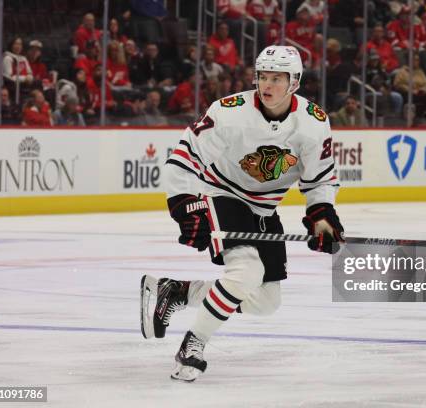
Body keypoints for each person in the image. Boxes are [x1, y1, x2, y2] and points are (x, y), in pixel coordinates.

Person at [140, 45, 343, 382]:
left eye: (277, 78)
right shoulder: (229, 111)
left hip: (265, 208)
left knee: (266, 301)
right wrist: (184, 206)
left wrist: (322, 217)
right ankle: (193, 346)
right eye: (263, 76)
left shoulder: (313, 122)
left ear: (294, 82)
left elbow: (320, 179)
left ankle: (176, 291)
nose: (267, 84)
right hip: (223, 194)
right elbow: (185, 155)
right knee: (246, 270)